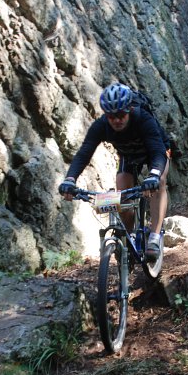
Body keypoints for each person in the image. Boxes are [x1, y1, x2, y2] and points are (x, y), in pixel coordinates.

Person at [58, 83, 169, 262]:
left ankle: (155, 238)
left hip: (155, 152)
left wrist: (154, 175)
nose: (117, 120)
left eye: (121, 115)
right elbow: (84, 154)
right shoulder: (101, 126)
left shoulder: (143, 119)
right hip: (129, 156)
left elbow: (157, 152)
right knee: (122, 197)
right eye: (111, 116)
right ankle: (128, 240)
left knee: (160, 182)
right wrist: (70, 180)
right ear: (106, 115)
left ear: (129, 109)